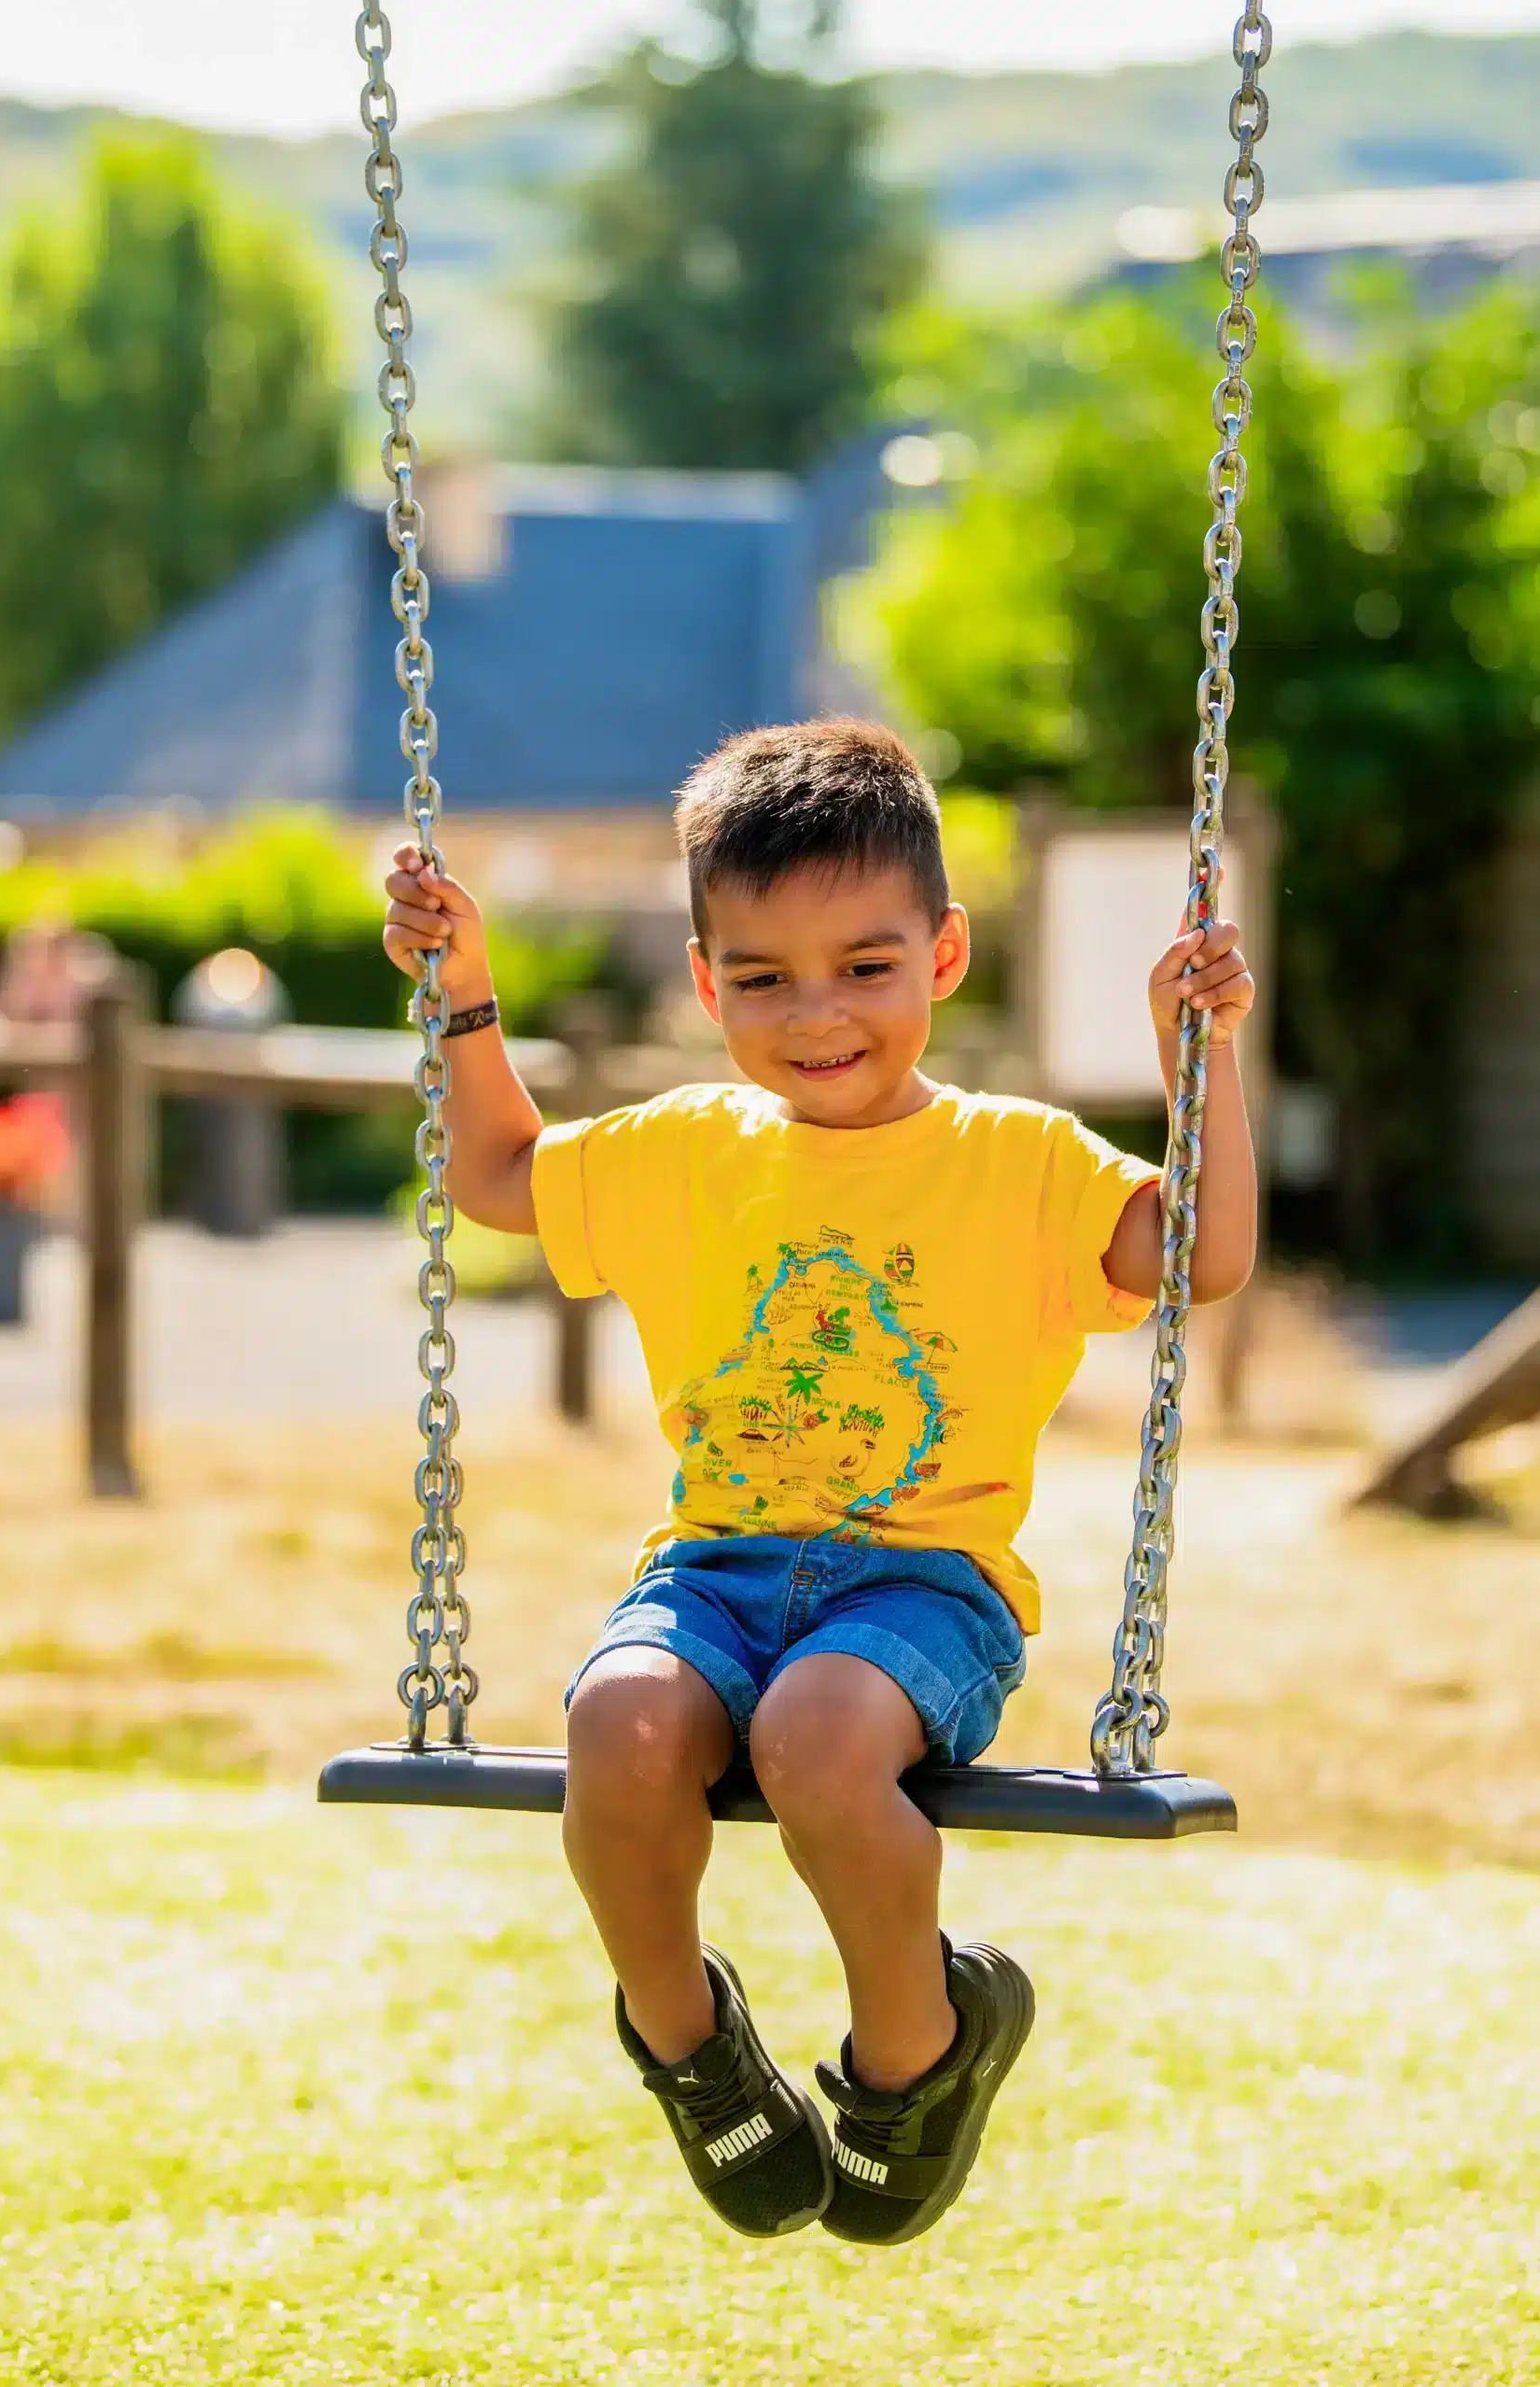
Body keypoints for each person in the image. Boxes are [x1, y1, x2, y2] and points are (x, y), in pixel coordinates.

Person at [382, 721, 1256, 2246]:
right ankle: (685, 2042)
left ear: (944, 955)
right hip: (715, 1569)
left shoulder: (1019, 1160)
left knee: (815, 1734)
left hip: (925, 1585)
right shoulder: (683, 1149)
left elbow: (1202, 1253)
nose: (819, 1014)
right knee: (617, 1720)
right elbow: (505, 1178)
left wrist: (1204, 1065)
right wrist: (462, 1000)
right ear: (706, 981)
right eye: (766, 977)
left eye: (866, 965)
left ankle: (916, 2050)